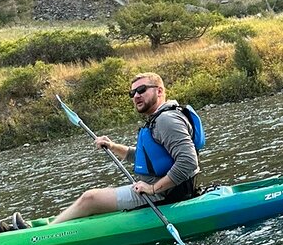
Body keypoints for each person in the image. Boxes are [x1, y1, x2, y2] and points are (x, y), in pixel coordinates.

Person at [52, 73, 202, 223]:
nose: (136, 96)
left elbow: (188, 162)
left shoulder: (166, 120)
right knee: (99, 195)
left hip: (164, 194)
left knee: (90, 198)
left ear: (159, 91)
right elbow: (147, 159)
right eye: (133, 93)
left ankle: (47, 232)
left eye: (142, 90)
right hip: (161, 190)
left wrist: (153, 189)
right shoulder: (160, 118)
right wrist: (112, 146)